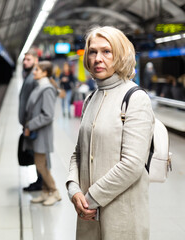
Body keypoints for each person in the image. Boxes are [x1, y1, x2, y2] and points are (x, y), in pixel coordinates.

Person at [66, 26, 155, 239]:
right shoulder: (90, 99)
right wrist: (74, 189)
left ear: (121, 55)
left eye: (107, 51)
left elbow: (132, 164)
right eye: (93, 52)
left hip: (121, 216)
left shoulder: (135, 98)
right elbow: (78, 153)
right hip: (88, 215)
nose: (98, 58)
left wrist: (91, 198)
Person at [23, 61, 61, 206]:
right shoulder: (39, 87)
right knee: (42, 164)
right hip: (36, 133)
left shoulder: (47, 90)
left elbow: (48, 115)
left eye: (37, 70)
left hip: (42, 134)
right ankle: (46, 193)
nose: (34, 72)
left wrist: (30, 125)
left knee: (40, 165)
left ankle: (54, 191)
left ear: (45, 73)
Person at [19, 48, 43, 192]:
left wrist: (31, 124)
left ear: (36, 60)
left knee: (38, 154)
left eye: (29, 59)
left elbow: (37, 103)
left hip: (33, 125)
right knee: (34, 154)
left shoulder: (34, 77)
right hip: (29, 124)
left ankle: (42, 183)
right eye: (24, 59)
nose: (25, 62)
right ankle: (39, 181)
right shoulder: (29, 75)